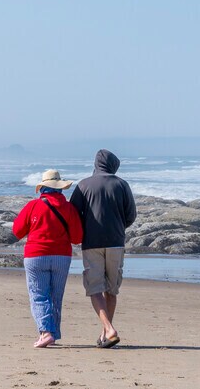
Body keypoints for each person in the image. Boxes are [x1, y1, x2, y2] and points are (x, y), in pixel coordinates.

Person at [69, 149, 137, 349]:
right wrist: (117, 227)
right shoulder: (122, 184)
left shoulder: (83, 185)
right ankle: (106, 332)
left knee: (95, 288)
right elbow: (131, 215)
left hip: (92, 243)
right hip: (116, 242)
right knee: (111, 289)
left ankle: (108, 329)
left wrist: (85, 229)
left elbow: (74, 213)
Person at [13, 170, 83, 348]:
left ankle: (46, 332)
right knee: (56, 296)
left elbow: (17, 231)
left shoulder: (33, 206)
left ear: (43, 187)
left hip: (36, 255)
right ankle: (53, 333)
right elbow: (77, 237)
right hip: (61, 256)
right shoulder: (69, 208)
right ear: (60, 188)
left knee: (38, 295)